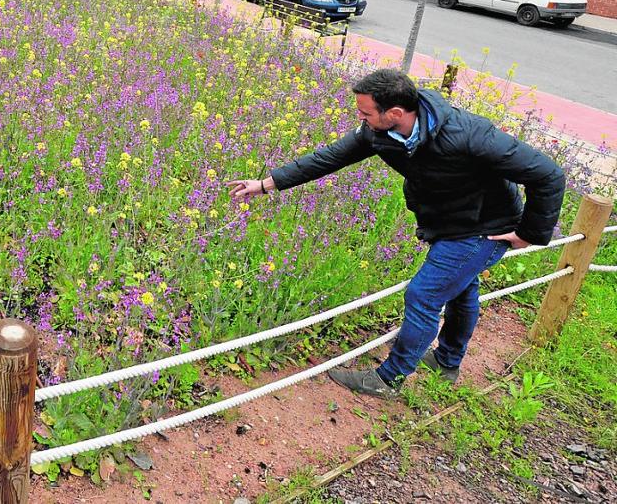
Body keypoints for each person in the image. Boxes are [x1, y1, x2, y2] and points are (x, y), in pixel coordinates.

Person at [227, 68, 564, 399]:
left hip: (484, 228)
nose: (361, 118)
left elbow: (548, 174)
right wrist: (265, 185)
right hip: (448, 223)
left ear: (396, 113)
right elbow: (330, 158)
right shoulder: (378, 132)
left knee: (423, 296)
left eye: (365, 112)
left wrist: (529, 233)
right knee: (461, 292)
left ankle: (389, 380)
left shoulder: (469, 134)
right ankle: (447, 363)